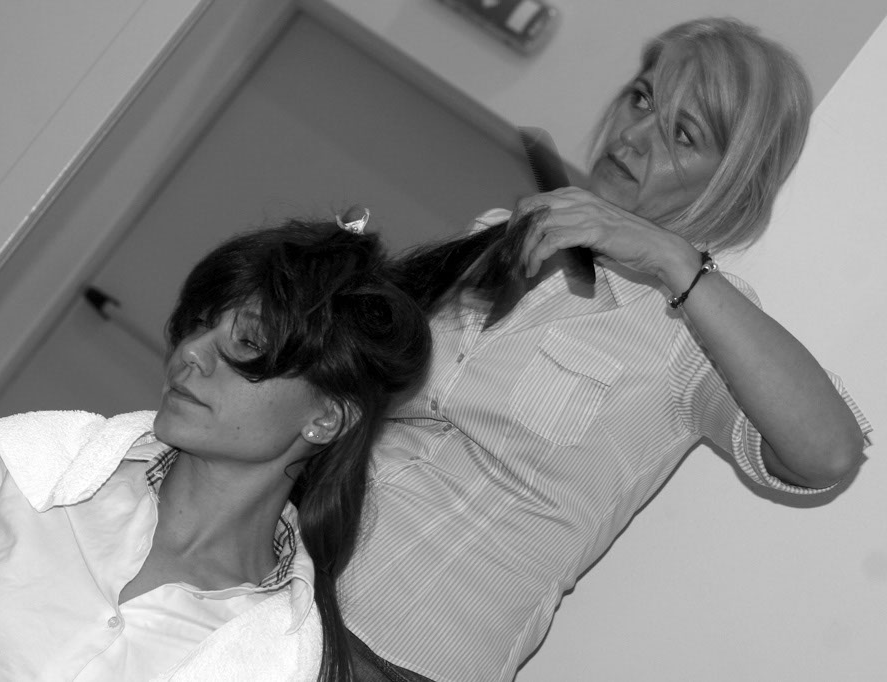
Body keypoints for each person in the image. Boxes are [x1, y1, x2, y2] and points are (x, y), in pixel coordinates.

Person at [338, 17, 873, 682]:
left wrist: (671, 261)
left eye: (683, 134)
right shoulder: (501, 233)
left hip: (403, 656)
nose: (635, 135)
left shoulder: (694, 330)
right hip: (285, 571)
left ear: (732, 183)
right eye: (642, 99)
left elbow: (829, 454)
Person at [0, 216, 431, 682]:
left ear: (326, 418)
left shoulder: (284, 650)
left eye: (247, 342)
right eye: (199, 325)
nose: (190, 353)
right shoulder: (32, 464)